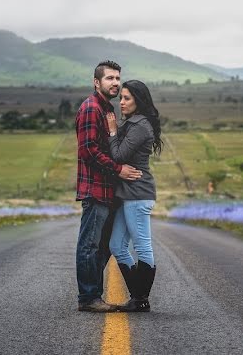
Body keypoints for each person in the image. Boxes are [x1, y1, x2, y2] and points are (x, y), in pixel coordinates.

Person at [75, 60, 143, 312]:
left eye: (117, 78)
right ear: (96, 82)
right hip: (96, 189)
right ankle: (88, 298)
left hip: (108, 190)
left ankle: (93, 295)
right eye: (109, 78)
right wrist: (119, 170)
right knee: (90, 245)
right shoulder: (92, 108)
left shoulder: (106, 109)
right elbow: (89, 151)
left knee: (103, 246)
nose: (115, 83)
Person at [106, 80, 161, 312]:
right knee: (117, 245)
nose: (122, 102)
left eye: (127, 98)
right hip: (128, 194)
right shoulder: (133, 123)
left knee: (142, 247)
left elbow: (118, 155)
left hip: (138, 194)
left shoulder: (140, 126)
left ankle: (141, 300)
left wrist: (111, 132)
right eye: (121, 98)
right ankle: (138, 297)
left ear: (139, 100)